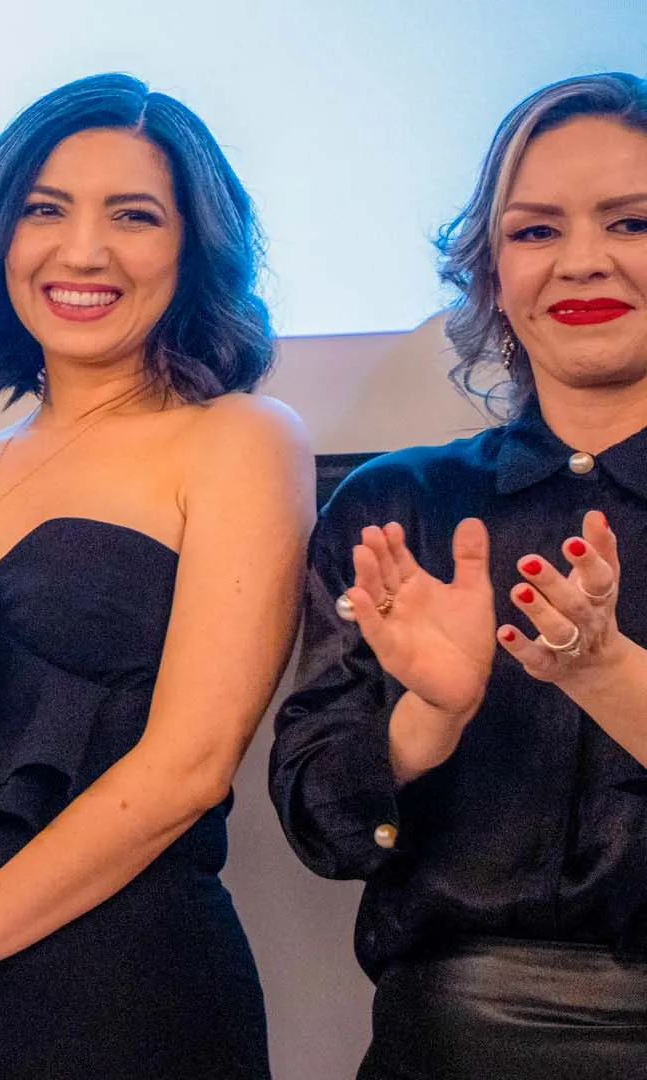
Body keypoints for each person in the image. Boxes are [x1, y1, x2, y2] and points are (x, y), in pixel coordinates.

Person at [0, 74, 311, 1080]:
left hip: (126, 1004)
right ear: (0, 237)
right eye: (45, 210)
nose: (83, 252)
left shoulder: (239, 440)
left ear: (192, 246)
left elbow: (187, 767)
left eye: (133, 215)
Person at [270, 72, 647, 1080]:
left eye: (632, 222)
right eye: (533, 231)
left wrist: (605, 669)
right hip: (451, 1043)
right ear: (487, 271)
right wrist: (427, 719)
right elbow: (319, 818)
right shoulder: (401, 504)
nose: (583, 261)